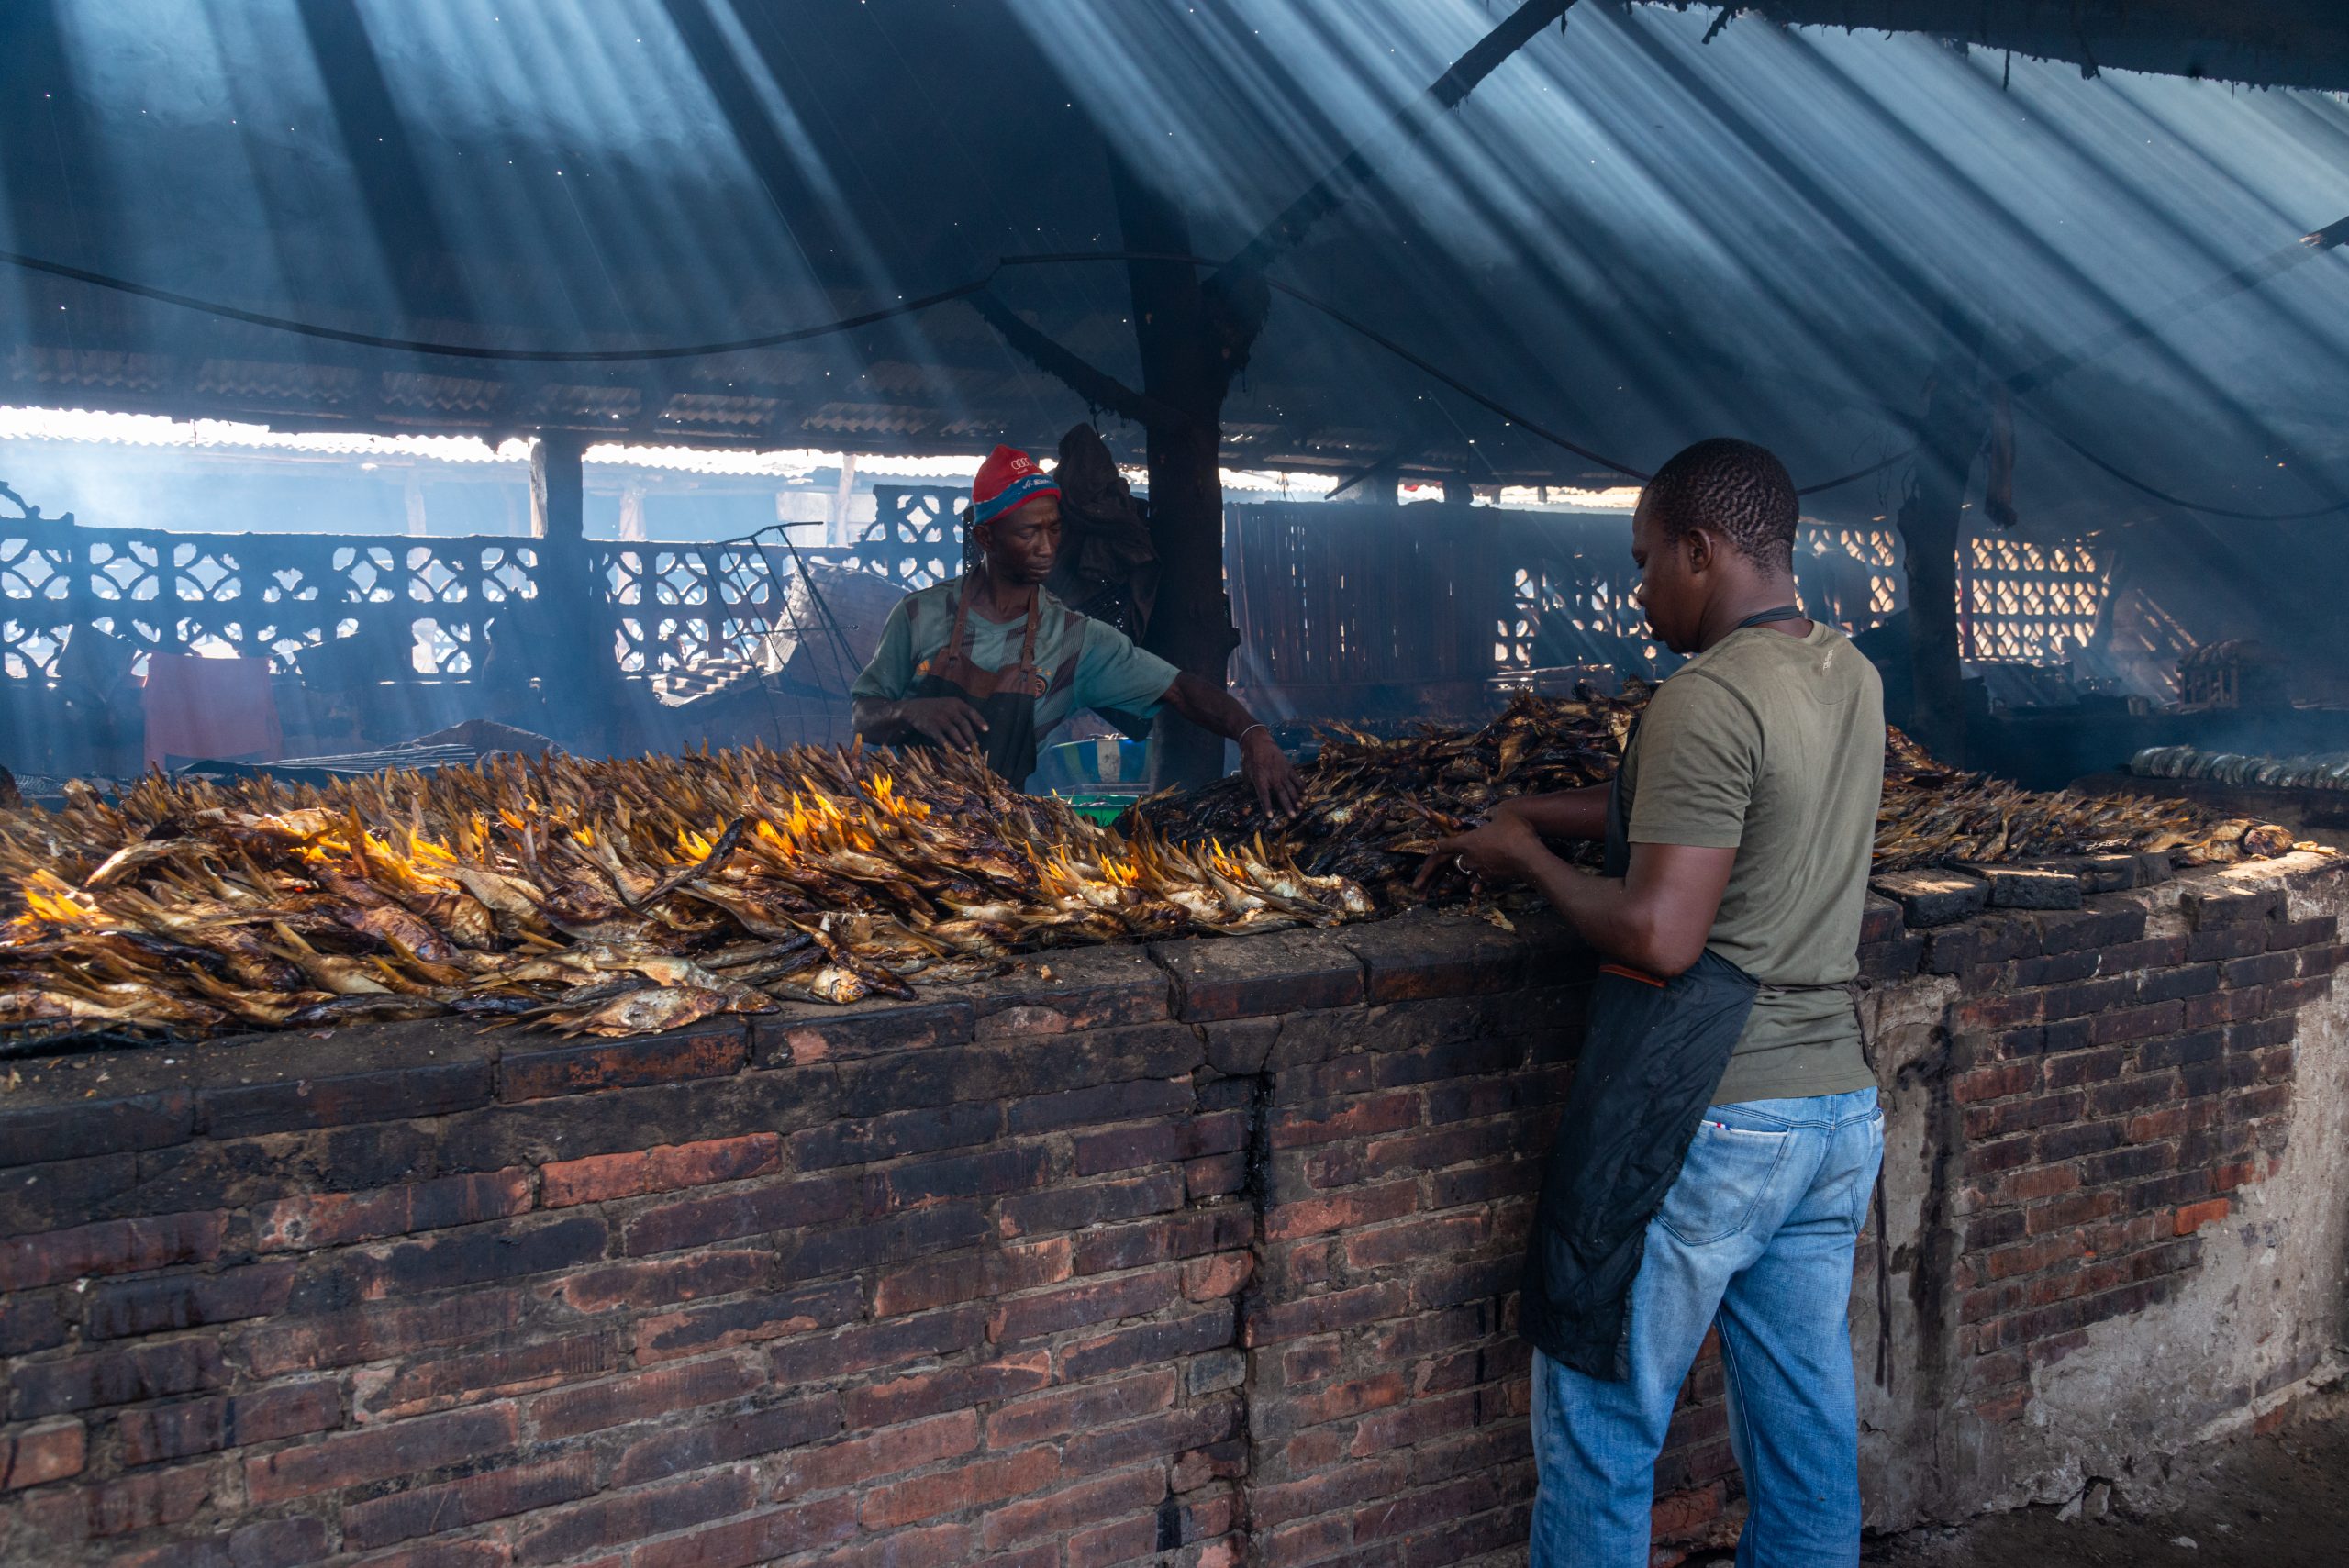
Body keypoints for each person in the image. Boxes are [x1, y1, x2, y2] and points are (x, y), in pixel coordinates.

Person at [1419, 439, 1887, 1567]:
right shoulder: (1846, 673)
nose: (1637, 594)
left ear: (1700, 547)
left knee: (1601, 1417)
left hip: (1711, 1111)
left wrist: (1527, 866)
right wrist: (1530, 810)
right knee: (1804, 1426)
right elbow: (1702, 807)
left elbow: (1659, 933)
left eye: (1643, 564)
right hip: (1833, 1109)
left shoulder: (1706, 693)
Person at [852, 444, 1302, 814]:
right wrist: (907, 713)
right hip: (904, 825)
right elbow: (863, 716)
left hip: (994, 834)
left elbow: (1181, 690)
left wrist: (1251, 734)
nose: (1047, 548)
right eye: (1029, 533)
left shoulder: (1073, 638)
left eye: (1054, 529)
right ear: (986, 538)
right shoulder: (918, 615)